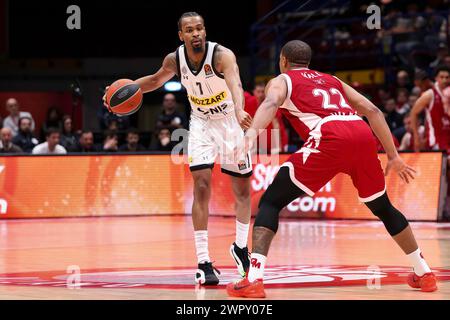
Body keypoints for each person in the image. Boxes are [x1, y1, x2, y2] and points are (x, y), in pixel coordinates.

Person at [227, 40, 436, 298]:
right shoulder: (332, 79)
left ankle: (254, 279)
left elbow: (270, 104)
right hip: (360, 132)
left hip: (330, 134)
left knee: (270, 202)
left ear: (283, 60)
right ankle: (424, 273)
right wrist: (392, 155)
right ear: (309, 61)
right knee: (383, 207)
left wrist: (249, 138)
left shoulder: (282, 80)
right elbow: (372, 110)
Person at [103, 12, 253, 286]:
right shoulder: (175, 59)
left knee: (242, 191)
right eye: (189, 30)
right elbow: (154, 81)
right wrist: (118, 94)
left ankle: (241, 248)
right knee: (202, 186)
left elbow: (235, 83)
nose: (195, 33)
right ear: (181, 35)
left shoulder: (222, 56)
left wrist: (241, 109)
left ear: (205, 31)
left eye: (199, 28)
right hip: (201, 124)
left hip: (230, 121)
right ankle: (204, 261)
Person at [410, 65, 450, 153]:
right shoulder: (429, 94)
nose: (445, 80)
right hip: (436, 140)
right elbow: (413, 113)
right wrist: (416, 137)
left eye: (447, 77)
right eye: (442, 77)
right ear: (436, 78)